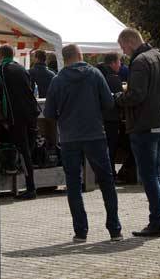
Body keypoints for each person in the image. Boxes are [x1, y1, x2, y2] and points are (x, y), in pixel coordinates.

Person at [44, 44, 122, 242]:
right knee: (106, 181)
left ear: (64, 57)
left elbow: (49, 113)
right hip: (95, 133)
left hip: (69, 137)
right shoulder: (95, 74)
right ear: (80, 55)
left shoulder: (58, 80)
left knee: (73, 183)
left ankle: (80, 231)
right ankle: (114, 229)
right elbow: (108, 103)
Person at [114, 28, 160, 237]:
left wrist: (118, 98)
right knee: (155, 174)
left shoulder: (139, 62)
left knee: (149, 176)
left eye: (123, 47)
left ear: (129, 42)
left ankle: (157, 222)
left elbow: (136, 95)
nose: (123, 51)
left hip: (144, 125)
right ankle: (158, 220)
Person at [0, 44, 40, 200]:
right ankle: (29, 185)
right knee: (28, 151)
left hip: (16, 114)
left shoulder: (1, 69)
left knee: (23, 150)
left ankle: (31, 188)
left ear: (0, 56)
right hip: (32, 112)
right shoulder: (21, 68)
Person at [96, 52, 123, 173]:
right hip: (111, 117)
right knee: (111, 147)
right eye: (119, 62)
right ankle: (110, 171)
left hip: (98, 117)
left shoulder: (97, 75)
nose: (120, 65)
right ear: (112, 63)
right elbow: (119, 100)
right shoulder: (113, 78)